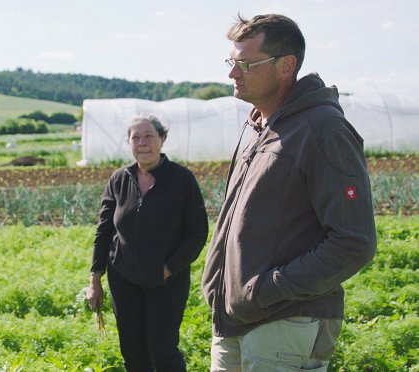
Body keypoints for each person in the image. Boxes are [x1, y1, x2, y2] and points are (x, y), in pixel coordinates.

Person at [201, 14, 377, 371]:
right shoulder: (257, 124)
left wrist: (268, 289)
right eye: (232, 62)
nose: (233, 74)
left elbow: (353, 242)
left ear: (286, 67)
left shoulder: (324, 130)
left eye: (245, 64)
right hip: (234, 316)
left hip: (284, 322)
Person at [87, 114, 209, 371]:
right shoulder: (119, 179)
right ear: (129, 143)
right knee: (132, 350)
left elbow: (197, 233)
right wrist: (95, 278)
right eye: (136, 137)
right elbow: (104, 230)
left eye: (149, 136)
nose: (143, 142)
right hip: (123, 278)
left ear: (162, 139)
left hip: (167, 281)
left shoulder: (181, 179)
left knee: (162, 349)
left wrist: (168, 268)